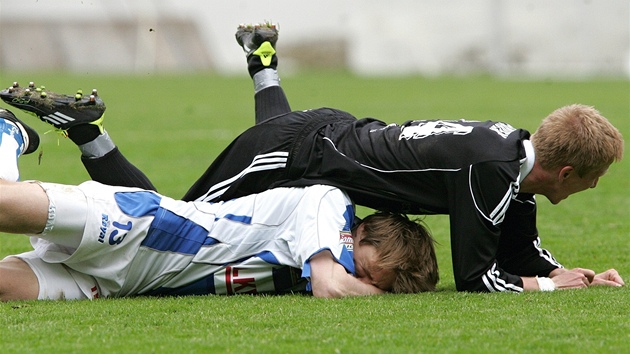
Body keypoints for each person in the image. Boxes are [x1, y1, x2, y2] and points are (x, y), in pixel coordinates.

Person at [1, 23, 625, 293]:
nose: (593, 191)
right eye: (593, 179)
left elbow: (518, 241)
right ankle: (90, 134)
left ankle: (263, 63)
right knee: (176, 221)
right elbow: (481, 279)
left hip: (324, 136)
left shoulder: (508, 150)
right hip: (306, 152)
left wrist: (571, 273)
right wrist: (543, 286)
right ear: (566, 172)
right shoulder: (491, 170)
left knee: (279, 136)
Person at [0, 109, 439, 301]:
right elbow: (331, 285)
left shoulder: (309, 259)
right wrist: (373, 292)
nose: (357, 279)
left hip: (124, 284)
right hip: (140, 227)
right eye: (364, 269)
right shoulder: (329, 204)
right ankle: (9, 136)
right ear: (362, 232)